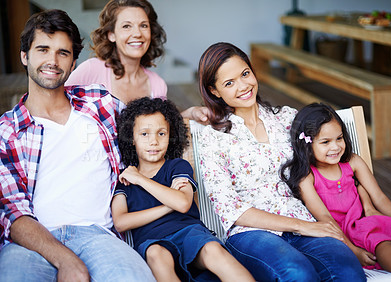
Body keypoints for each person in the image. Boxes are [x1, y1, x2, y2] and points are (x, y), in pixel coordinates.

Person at [0, 9, 155, 281]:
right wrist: (67, 261)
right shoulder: (7, 131)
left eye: (63, 53)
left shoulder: (100, 104)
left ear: (73, 64)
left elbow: (149, 123)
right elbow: (14, 215)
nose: (53, 60)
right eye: (43, 49)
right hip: (33, 241)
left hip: (101, 237)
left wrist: (189, 115)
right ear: (25, 56)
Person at [196, 42, 367, 281]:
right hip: (252, 233)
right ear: (214, 91)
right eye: (229, 83)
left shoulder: (288, 118)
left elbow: (326, 160)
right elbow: (230, 208)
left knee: (348, 273)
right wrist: (300, 226)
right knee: (298, 274)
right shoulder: (212, 138)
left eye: (245, 74)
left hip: (304, 219)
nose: (244, 86)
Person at [112, 96, 255, 282]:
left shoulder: (177, 166)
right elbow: (121, 222)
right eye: (144, 134)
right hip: (152, 242)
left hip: (189, 232)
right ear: (131, 138)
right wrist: (167, 205)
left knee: (213, 250)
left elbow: (182, 203)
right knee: (156, 254)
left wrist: (140, 179)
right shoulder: (124, 178)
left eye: (161, 133)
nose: (153, 141)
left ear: (170, 137)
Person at [281, 102, 391, 275]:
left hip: (363, 224)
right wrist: (353, 250)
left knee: (388, 239)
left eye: (339, 138)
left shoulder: (353, 162)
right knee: (382, 245)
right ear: (307, 145)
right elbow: (325, 219)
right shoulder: (307, 178)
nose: (335, 147)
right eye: (325, 142)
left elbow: (379, 197)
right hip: (337, 236)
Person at [65, 0, 209, 123]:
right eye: (126, 26)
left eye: (144, 25)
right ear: (111, 34)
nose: (137, 33)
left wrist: (189, 113)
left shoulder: (157, 84)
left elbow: (159, 127)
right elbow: (57, 108)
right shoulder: (92, 70)